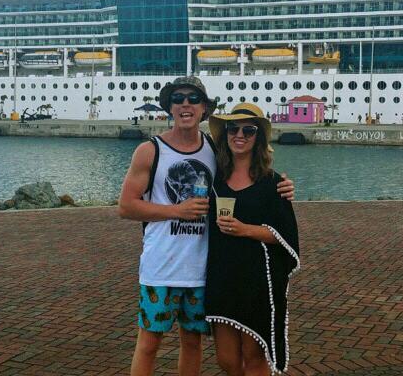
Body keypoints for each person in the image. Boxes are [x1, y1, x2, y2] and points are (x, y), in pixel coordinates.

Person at [118, 77, 295, 376]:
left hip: (202, 270)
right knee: (148, 344)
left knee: (192, 343)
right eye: (178, 98)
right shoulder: (150, 151)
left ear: (204, 108)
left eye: (193, 98)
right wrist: (177, 210)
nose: (185, 104)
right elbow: (126, 207)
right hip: (160, 267)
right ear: (169, 107)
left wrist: (283, 185)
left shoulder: (214, 150)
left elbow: (249, 174)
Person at [205, 103, 300, 375]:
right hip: (222, 276)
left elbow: (286, 236)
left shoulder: (273, 183)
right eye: (233, 129)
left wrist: (244, 229)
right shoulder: (214, 179)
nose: (239, 135)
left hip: (256, 281)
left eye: (248, 130)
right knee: (226, 360)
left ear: (258, 138)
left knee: (254, 357)